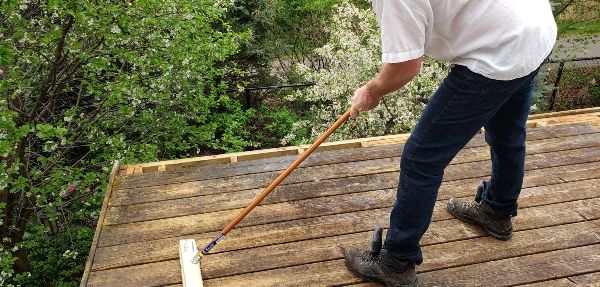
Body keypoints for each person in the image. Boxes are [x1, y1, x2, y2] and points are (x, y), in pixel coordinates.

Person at [341, 1, 557, 286]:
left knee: (421, 159)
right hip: (536, 32)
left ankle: (396, 261)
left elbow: (405, 66)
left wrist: (371, 91)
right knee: (508, 135)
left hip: (500, 51)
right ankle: (497, 210)